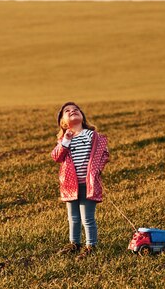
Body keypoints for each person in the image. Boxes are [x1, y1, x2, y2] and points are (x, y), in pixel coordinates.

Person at [51, 102, 109, 259]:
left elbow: (104, 153)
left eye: (76, 110)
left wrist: (98, 169)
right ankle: (74, 244)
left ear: (82, 117)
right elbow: (56, 156)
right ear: (63, 122)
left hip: (88, 184)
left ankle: (91, 246)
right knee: (73, 218)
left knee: (87, 218)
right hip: (70, 185)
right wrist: (65, 141)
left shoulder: (92, 135)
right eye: (67, 111)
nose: (72, 111)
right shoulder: (64, 140)